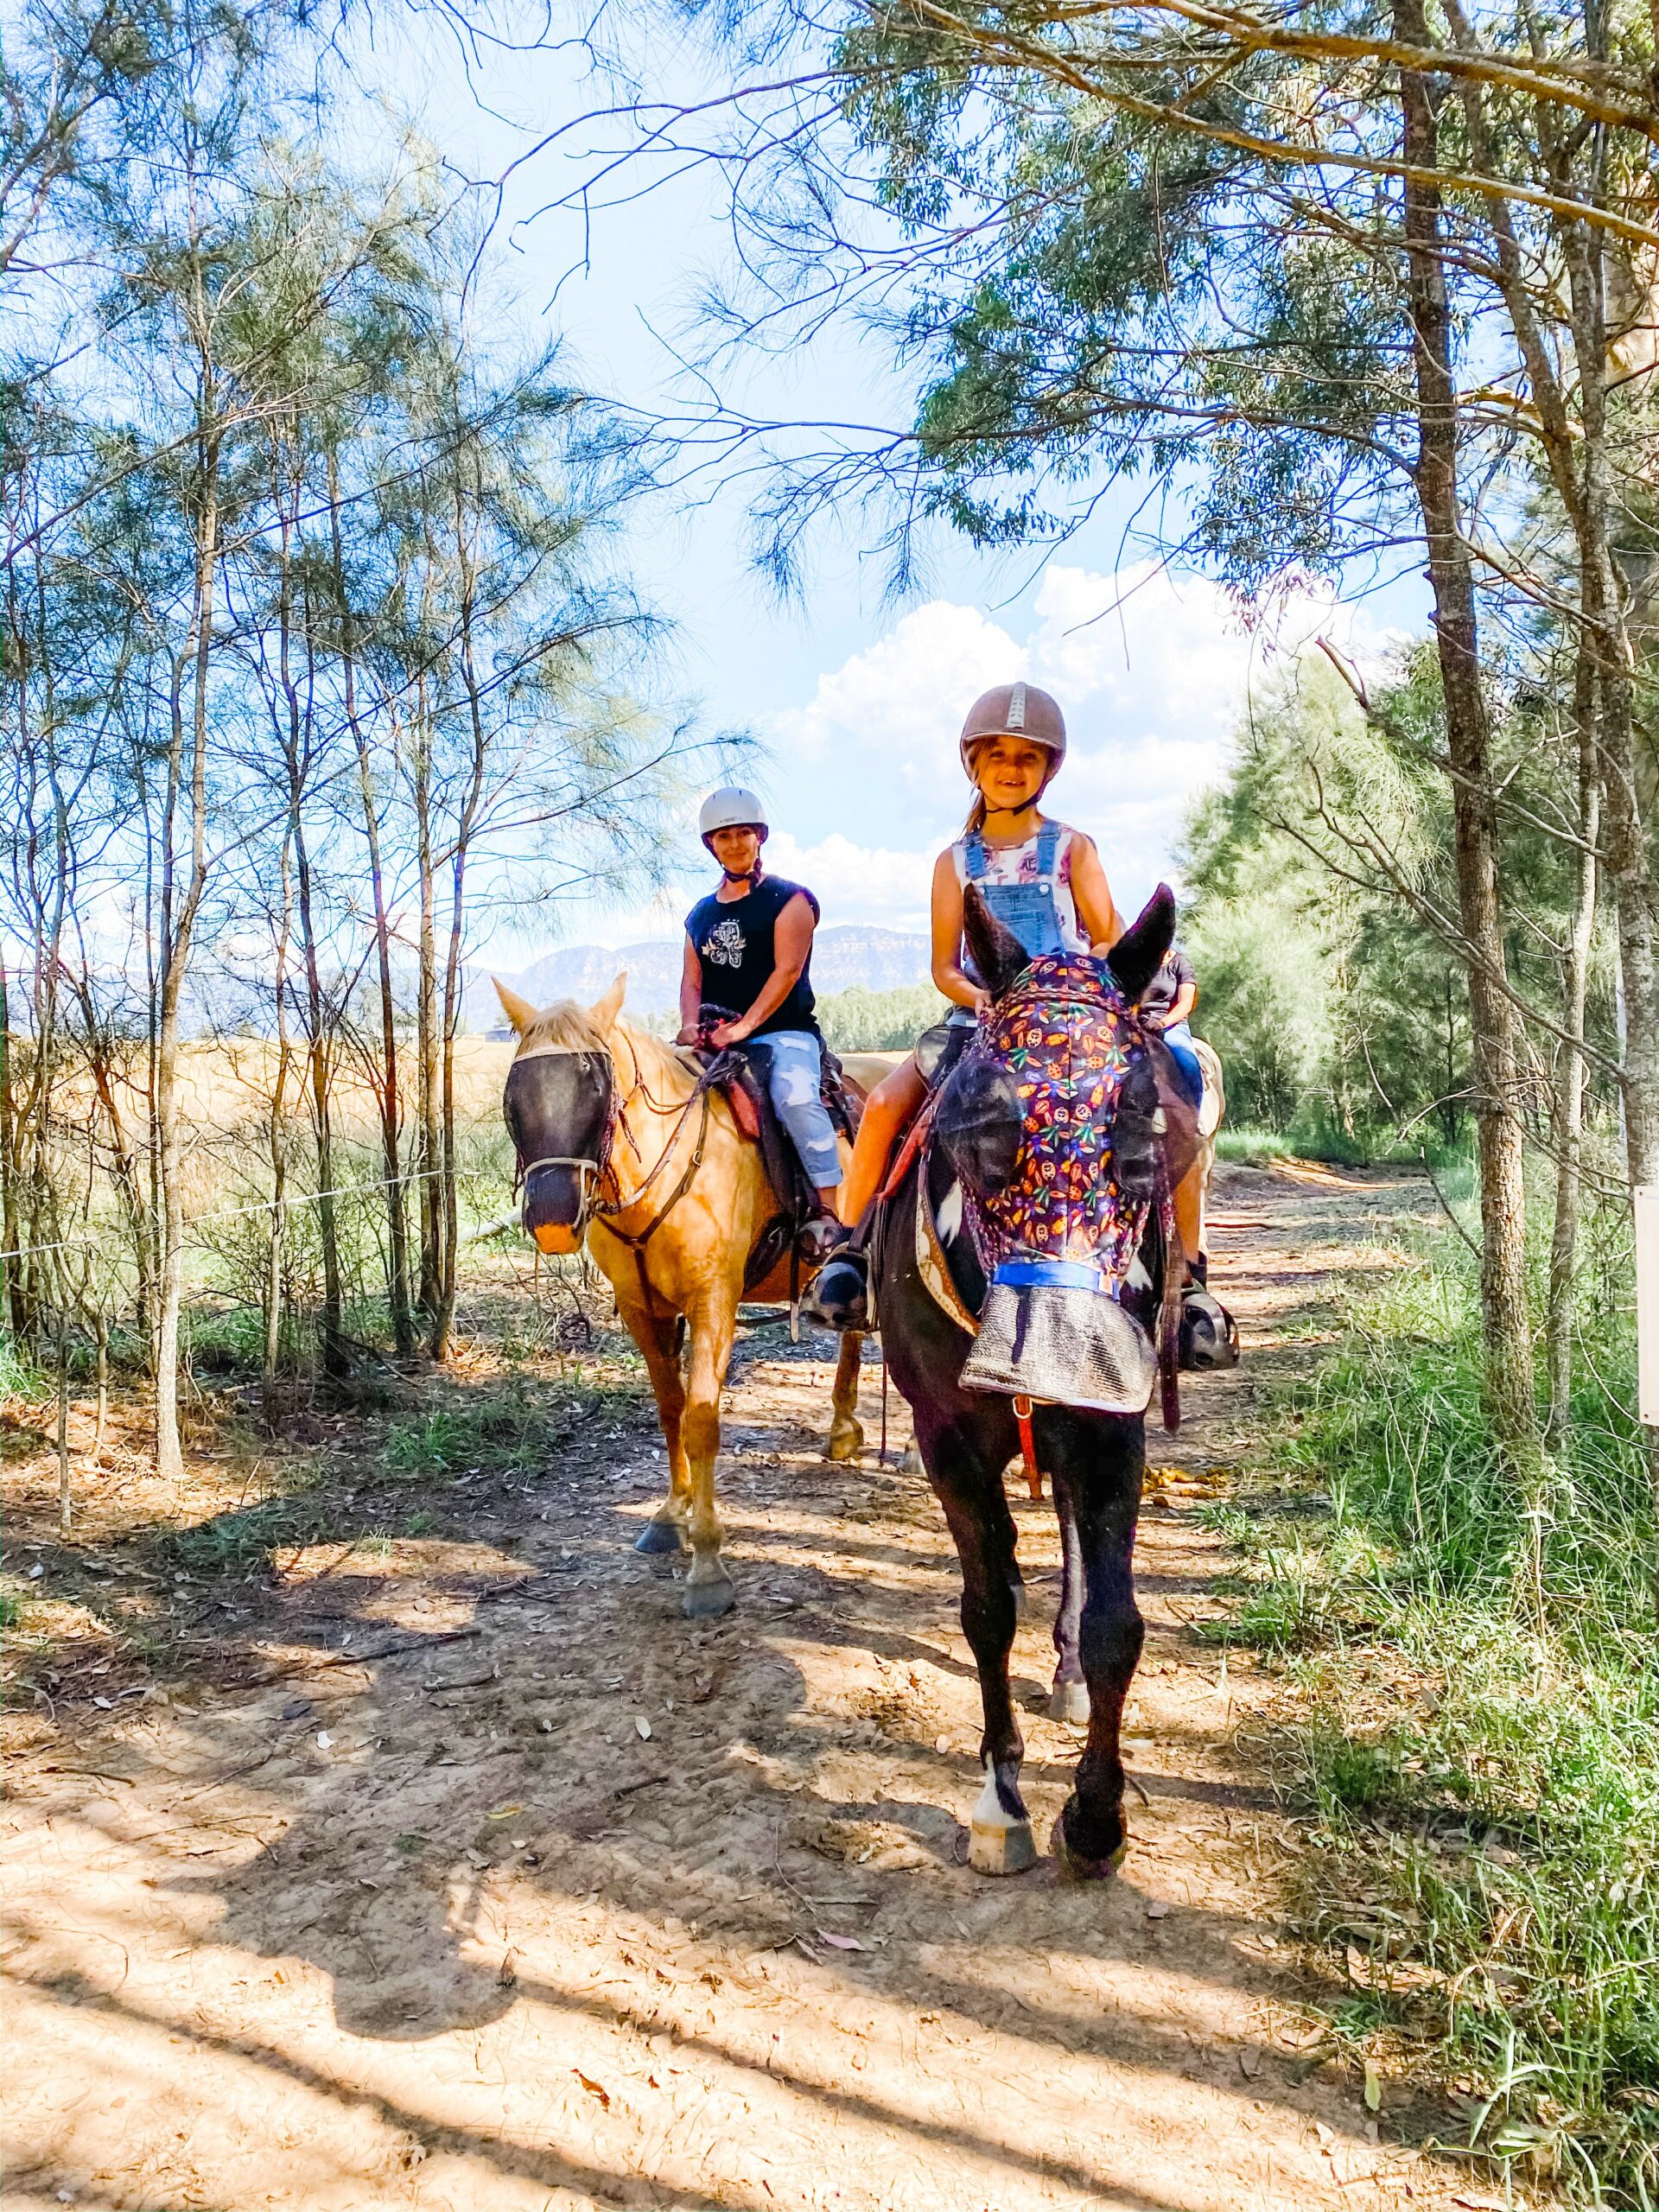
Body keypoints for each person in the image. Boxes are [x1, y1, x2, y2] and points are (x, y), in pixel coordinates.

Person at [808, 681, 1122, 1328]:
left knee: (1154, 1106)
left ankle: (1184, 1272)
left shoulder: (1072, 849)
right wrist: (980, 997)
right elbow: (945, 967)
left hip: (1067, 1022)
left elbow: (1109, 935)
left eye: (1028, 757)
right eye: (998, 755)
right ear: (973, 763)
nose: (1011, 769)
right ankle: (852, 1252)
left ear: (1049, 770)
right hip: (983, 1017)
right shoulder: (955, 863)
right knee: (888, 1106)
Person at [679, 787, 845, 1222]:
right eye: (723, 836)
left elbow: (787, 972)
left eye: (743, 833)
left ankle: (830, 1212)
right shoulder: (699, 915)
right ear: (711, 845)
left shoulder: (789, 900)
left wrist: (743, 1028)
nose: (734, 843)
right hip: (717, 1035)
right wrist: (687, 1024)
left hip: (782, 1032)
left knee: (794, 1098)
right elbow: (691, 979)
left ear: (759, 838)